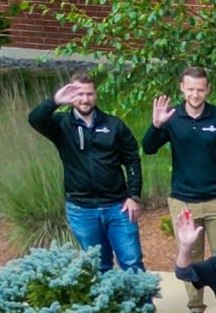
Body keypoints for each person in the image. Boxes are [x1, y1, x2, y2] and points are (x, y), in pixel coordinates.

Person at [145, 71, 216, 313]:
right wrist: (157, 125)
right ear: (182, 89)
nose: (195, 94)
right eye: (190, 89)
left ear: (207, 89)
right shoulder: (172, 117)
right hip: (184, 200)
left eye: (200, 89)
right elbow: (148, 148)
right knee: (191, 254)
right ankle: (196, 309)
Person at [27, 73, 144, 270]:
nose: (85, 99)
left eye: (89, 94)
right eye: (79, 94)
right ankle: (108, 301)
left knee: (132, 261)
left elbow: (132, 160)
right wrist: (55, 101)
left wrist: (134, 195)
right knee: (98, 265)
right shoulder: (61, 125)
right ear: (71, 96)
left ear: (95, 95)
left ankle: (142, 302)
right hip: (81, 209)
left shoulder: (114, 125)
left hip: (118, 207)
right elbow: (35, 119)